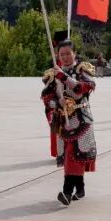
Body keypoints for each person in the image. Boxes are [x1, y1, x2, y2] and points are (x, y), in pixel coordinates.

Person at [41, 31, 97, 206]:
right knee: (69, 156)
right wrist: (56, 103)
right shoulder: (52, 73)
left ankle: (66, 191)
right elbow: (47, 96)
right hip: (63, 121)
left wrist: (65, 78)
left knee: (75, 154)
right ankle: (79, 187)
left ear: (74, 53)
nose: (65, 57)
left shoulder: (82, 69)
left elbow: (86, 87)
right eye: (61, 54)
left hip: (81, 119)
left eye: (68, 53)